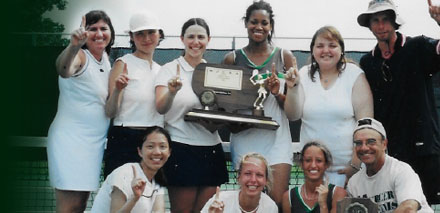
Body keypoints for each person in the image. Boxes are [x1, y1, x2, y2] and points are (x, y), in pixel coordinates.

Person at [356, 0, 440, 205]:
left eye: (385, 19)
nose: (381, 25)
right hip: (390, 153)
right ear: (370, 25)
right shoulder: (368, 62)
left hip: (424, 149)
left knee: (424, 207)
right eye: (375, 20)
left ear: (395, 22)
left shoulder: (417, 46)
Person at [222, 0, 296, 208]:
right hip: (244, 141)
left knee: (274, 204)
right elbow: (224, 105)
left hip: (278, 141)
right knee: (247, 204)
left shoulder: (285, 57)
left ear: (270, 26)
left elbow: (293, 107)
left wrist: (277, 93)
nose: (259, 27)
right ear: (246, 23)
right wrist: (238, 123)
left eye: (264, 23)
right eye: (254, 22)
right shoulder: (232, 59)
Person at [284, 26, 374, 187]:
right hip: (314, 173)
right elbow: (293, 115)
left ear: (341, 50)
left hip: (348, 174)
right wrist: (293, 87)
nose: (326, 50)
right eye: (320, 46)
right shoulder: (303, 74)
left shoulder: (355, 75)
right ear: (312, 51)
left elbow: (366, 126)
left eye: (332, 45)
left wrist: (354, 166)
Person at [154, 18, 228, 213]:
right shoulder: (169, 69)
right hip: (181, 149)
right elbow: (160, 108)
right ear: (182, 39)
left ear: (208, 40)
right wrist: (171, 91)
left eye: (201, 37)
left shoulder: (215, 72)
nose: (196, 42)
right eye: (191, 37)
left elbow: (221, 111)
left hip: (211, 150)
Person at [47, 10, 115, 213]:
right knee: (69, 208)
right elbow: (63, 69)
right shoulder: (80, 56)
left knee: (80, 206)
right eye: (92, 29)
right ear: (84, 33)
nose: (99, 33)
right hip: (70, 142)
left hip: (93, 146)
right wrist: (74, 46)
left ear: (111, 32)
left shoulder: (106, 60)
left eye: (104, 28)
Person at [103, 11, 165, 178]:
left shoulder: (162, 71)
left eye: (151, 32)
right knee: (121, 199)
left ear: (159, 34)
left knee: (149, 200)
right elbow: (110, 112)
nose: (146, 39)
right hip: (124, 140)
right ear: (131, 36)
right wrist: (117, 90)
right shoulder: (122, 64)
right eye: (140, 34)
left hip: (154, 142)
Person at [347, 118, 434, 212]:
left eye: (371, 141)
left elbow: (408, 208)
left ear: (384, 144)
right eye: (358, 143)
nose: (364, 148)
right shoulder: (354, 183)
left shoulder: (401, 171)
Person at [91, 126, 170, 212]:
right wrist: (134, 198)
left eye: (162, 146)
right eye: (150, 146)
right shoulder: (124, 173)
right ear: (140, 151)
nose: (157, 152)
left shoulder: (158, 178)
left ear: (169, 152)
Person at [282, 142, 347, 213]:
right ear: (301, 164)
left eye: (319, 161)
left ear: (326, 164)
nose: (313, 165)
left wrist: (323, 205)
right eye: (308, 160)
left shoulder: (338, 194)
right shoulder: (289, 197)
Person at [202, 153, 279, 213]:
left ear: (266, 180)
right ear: (239, 177)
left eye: (259, 175)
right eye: (248, 173)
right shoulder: (220, 201)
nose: (253, 180)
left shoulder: (270, 207)